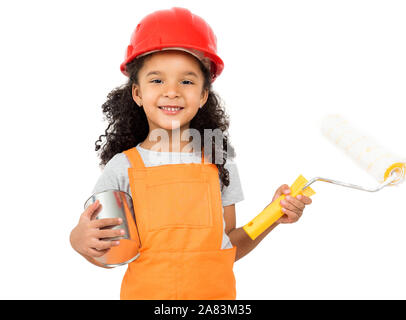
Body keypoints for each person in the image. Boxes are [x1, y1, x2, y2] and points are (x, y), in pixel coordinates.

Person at [69, 7, 312, 300]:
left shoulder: (219, 162)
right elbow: (107, 251)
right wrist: (78, 240)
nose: (172, 91)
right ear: (137, 93)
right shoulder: (123, 168)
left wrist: (273, 215)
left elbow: (228, 247)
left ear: (203, 95)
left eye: (186, 81)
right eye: (157, 80)